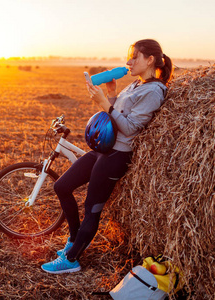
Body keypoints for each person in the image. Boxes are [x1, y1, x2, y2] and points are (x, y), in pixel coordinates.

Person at [41, 39, 173, 274]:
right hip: (104, 150)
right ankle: (74, 240)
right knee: (62, 186)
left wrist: (104, 103)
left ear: (150, 60)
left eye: (135, 56)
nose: (129, 61)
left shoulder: (154, 91)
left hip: (117, 156)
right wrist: (111, 95)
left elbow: (131, 128)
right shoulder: (135, 84)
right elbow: (117, 113)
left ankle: (72, 260)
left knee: (92, 207)